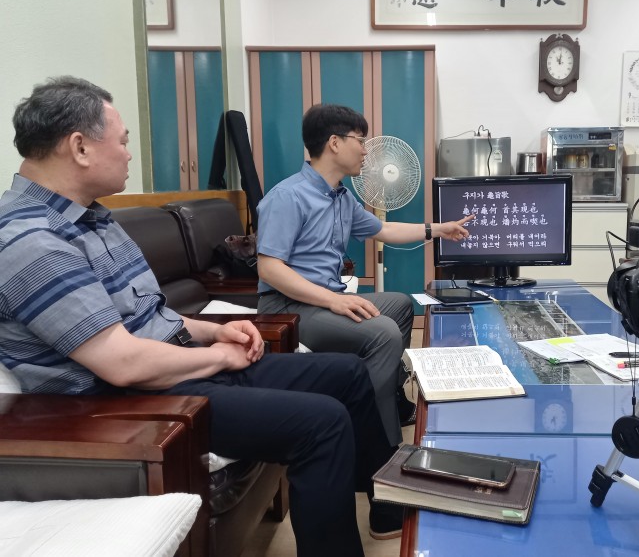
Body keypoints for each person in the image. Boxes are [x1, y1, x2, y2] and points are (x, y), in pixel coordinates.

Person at [0, 77, 401, 557]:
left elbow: (149, 315)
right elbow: (122, 362)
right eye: (123, 142)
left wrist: (215, 330)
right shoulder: (31, 239)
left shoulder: (93, 219)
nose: (129, 154)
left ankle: (386, 502)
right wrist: (218, 357)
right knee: (322, 422)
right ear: (80, 147)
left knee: (348, 374)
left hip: (171, 366)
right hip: (127, 399)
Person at [257, 103, 472, 446]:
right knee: (384, 333)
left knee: (400, 305)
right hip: (288, 307)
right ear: (335, 143)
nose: (366, 151)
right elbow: (269, 268)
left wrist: (438, 229)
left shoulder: (342, 198)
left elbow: (384, 230)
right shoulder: (287, 197)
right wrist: (334, 301)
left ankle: (381, 394)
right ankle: (374, 440)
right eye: (360, 140)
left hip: (324, 300)